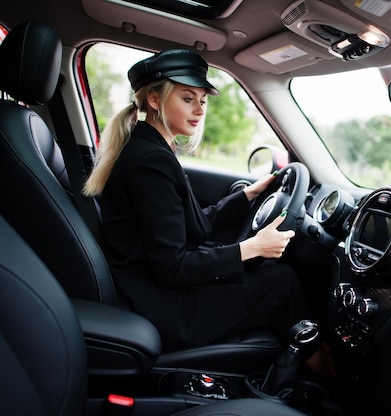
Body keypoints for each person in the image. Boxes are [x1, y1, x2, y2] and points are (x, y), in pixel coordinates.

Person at [82, 49, 333, 374]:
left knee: (268, 272)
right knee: (280, 280)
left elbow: (191, 226)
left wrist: (246, 196)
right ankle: (325, 369)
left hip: (151, 288)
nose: (200, 108)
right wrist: (252, 248)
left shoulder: (149, 149)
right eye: (188, 98)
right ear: (155, 101)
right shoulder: (150, 162)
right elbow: (171, 268)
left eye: (202, 99)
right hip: (161, 305)